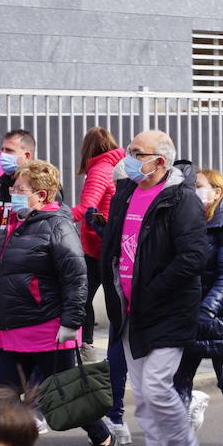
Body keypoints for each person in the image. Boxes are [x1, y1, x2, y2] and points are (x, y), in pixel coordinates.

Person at [102, 130, 210, 446]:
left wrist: (152, 288)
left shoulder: (181, 200)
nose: (127, 158)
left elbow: (194, 256)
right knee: (144, 394)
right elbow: (117, 247)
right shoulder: (126, 194)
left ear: (159, 161)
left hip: (167, 310)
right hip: (129, 312)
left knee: (159, 387)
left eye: (136, 152)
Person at [0, 160, 114, 446]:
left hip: (46, 331)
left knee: (67, 397)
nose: (13, 194)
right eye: (14, 188)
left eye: (20, 190)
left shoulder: (57, 225)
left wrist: (71, 323)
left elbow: (76, 278)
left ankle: (102, 437)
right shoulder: (16, 222)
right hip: (12, 329)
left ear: (41, 195)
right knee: (4, 400)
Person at [176, 168, 223, 446]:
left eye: (200, 186)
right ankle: (177, 437)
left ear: (217, 192)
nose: (195, 191)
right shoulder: (192, 222)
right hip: (191, 311)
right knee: (180, 379)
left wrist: (208, 307)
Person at [70, 126, 126, 351]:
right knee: (110, 296)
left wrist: (57, 215)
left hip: (97, 244)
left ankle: (87, 346)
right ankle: (110, 345)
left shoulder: (99, 170)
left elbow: (86, 207)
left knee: (82, 296)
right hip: (107, 241)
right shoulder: (114, 166)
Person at [0, 129, 37, 240]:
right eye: (3, 150)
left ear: (27, 156)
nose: (3, 155)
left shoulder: (39, 184)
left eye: (9, 151)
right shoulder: (0, 183)